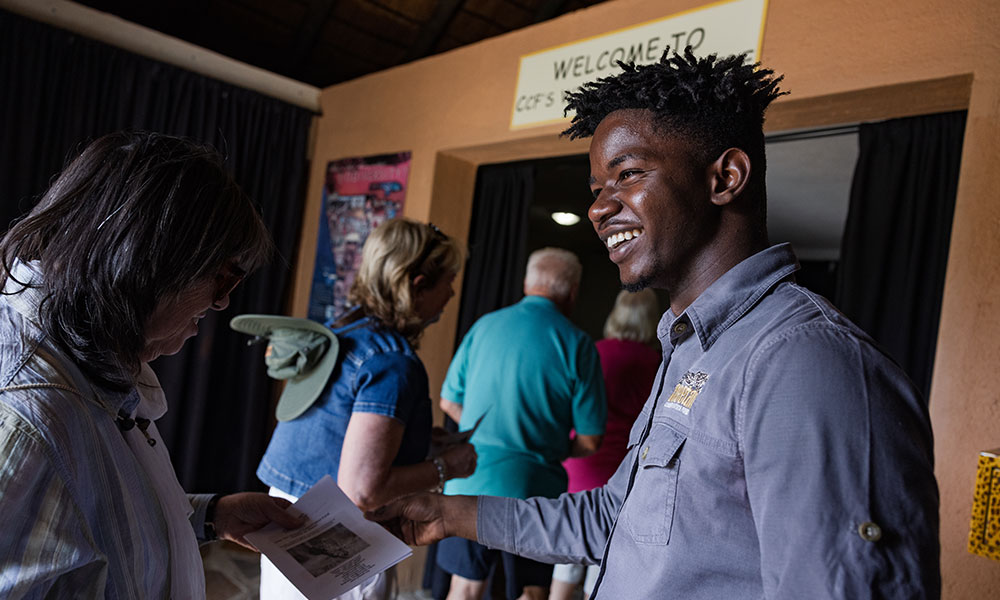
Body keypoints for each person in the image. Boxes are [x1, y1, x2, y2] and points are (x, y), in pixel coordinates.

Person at [373, 48, 940, 598]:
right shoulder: (692, 346)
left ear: (725, 178)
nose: (599, 208)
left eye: (628, 173)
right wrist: (447, 514)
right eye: (597, 190)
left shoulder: (802, 359)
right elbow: (614, 517)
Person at [0, 131, 304, 598]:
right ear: (151, 262)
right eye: (223, 276)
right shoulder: (25, 415)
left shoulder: (86, 361)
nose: (223, 302)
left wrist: (208, 515)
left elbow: (78, 517)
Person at [253, 218, 478, 599]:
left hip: (288, 519)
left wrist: (420, 440)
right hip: (335, 538)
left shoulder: (343, 332)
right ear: (417, 286)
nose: (453, 292)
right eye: (449, 280)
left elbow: (339, 427)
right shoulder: (392, 362)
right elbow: (363, 491)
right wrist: (447, 467)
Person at [436, 247, 607, 600]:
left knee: (464, 589)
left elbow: (449, 401)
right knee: (530, 592)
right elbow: (590, 440)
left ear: (527, 284)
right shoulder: (578, 345)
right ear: (573, 292)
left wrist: (487, 434)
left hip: (469, 482)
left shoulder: (485, 326)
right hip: (535, 493)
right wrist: (548, 444)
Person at [550, 289, 660, 600]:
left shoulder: (593, 352)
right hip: (620, 476)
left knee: (566, 558)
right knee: (602, 567)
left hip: (579, 465)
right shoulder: (655, 363)